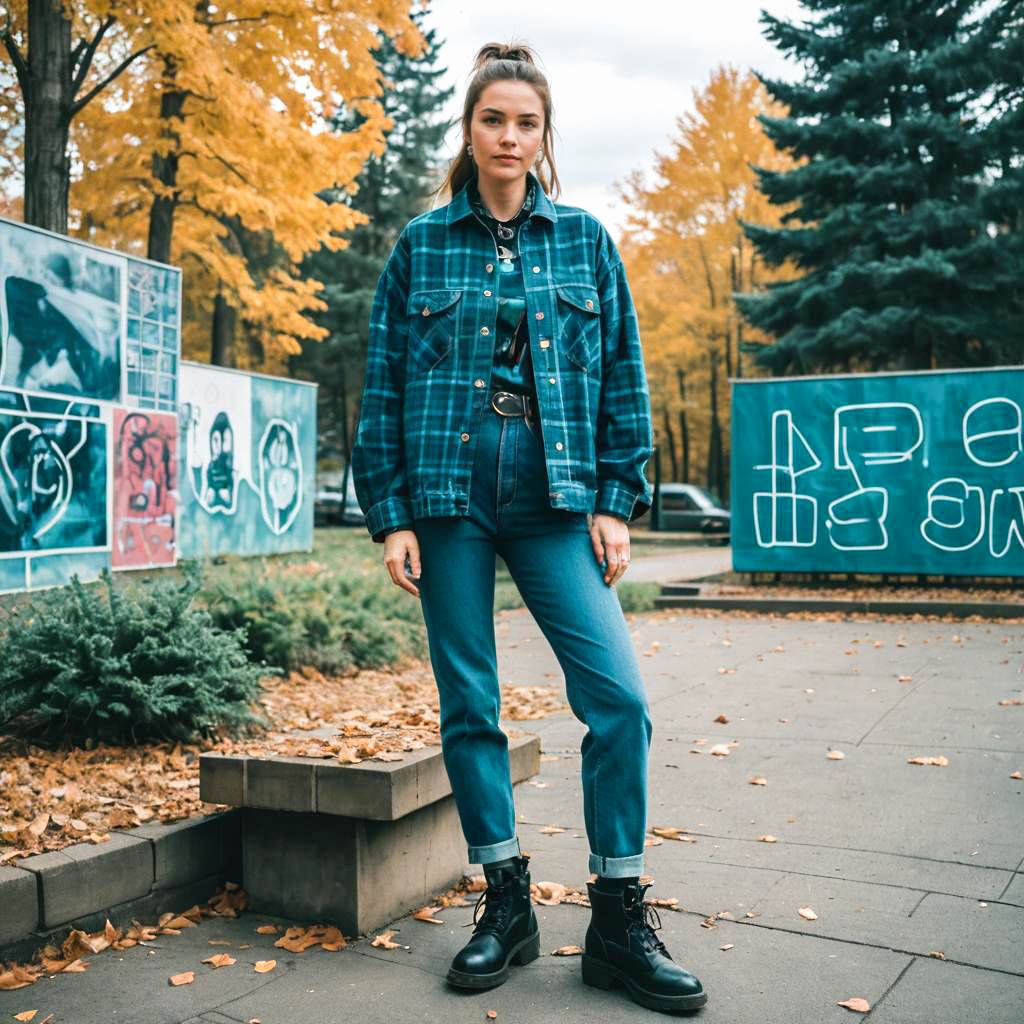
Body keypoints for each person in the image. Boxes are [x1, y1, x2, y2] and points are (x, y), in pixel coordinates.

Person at [350, 40, 707, 1015]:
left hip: (555, 498)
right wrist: (389, 517)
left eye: (526, 122)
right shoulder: (422, 245)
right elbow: (380, 383)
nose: (509, 137)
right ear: (469, 130)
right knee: (471, 705)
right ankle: (503, 901)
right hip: (447, 498)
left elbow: (623, 377)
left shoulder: (585, 240)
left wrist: (612, 496)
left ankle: (618, 918)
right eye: (493, 119)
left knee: (618, 700)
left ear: (544, 136)